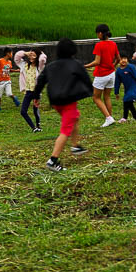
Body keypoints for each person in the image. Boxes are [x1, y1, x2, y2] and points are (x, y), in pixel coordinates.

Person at [29, 39, 94, 172]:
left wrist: (36, 96)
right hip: (68, 101)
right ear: (73, 51)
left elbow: (40, 80)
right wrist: (90, 91)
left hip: (55, 101)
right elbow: (86, 79)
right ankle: (53, 160)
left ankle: (75, 145)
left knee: (75, 117)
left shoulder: (51, 66)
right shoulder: (76, 64)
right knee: (65, 131)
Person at [85, 24, 118, 128]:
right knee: (107, 96)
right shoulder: (113, 44)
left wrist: (85, 66)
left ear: (100, 33)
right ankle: (110, 117)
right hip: (111, 74)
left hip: (101, 75)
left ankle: (108, 118)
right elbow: (118, 58)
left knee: (96, 98)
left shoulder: (99, 45)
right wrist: (112, 66)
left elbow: (97, 62)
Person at [17, 48, 42, 132]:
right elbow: (16, 57)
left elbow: (43, 57)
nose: (31, 57)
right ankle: (33, 128)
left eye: (34, 55)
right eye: (30, 55)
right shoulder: (24, 65)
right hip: (28, 92)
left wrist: (38, 54)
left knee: (35, 111)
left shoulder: (40, 67)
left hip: (36, 93)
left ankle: (38, 125)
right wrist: (26, 53)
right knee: (23, 112)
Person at [114, 56, 136, 122]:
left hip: (134, 87)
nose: (123, 60)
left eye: (125, 58)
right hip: (127, 89)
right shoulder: (118, 71)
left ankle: (124, 118)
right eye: (121, 59)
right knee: (130, 103)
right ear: (118, 61)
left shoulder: (131, 67)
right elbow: (117, 82)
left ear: (127, 60)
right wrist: (116, 92)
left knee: (126, 100)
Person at [0, 48, 18, 112]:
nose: (12, 55)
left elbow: (9, 70)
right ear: (8, 53)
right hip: (0, 82)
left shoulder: (9, 62)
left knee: (9, 93)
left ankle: (15, 99)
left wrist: (16, 70)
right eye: (11, 53)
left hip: (7, 81)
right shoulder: (0, 61)